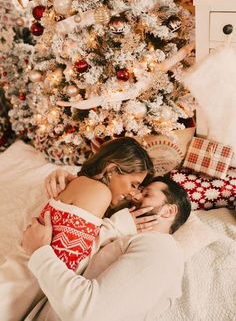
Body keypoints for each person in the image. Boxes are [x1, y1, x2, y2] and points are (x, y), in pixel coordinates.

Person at [0, 136, 155, 321]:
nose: (132, 193)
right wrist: (118, 226)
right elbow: (69, 263)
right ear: (112, 169)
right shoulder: (99, 192)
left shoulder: (82, 185)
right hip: (15, 290)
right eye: (133, 184)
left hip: (17, 283)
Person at [21, 175, 191, 321]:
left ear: (168, 211)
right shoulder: (136, 241)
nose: (136, 196)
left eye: (147, 194)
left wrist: (40, 253)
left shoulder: (162, 249)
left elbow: (89, 314)